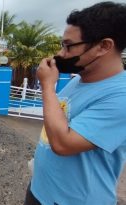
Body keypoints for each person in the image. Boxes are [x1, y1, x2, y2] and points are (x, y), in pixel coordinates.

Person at [25, 2, 126, 205]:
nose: (61, 54)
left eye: (69, 46)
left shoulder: (121, 96)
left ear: (104, 46)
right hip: (40, 190)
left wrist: (47, 86)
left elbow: (63, 144)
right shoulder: (79, 79)